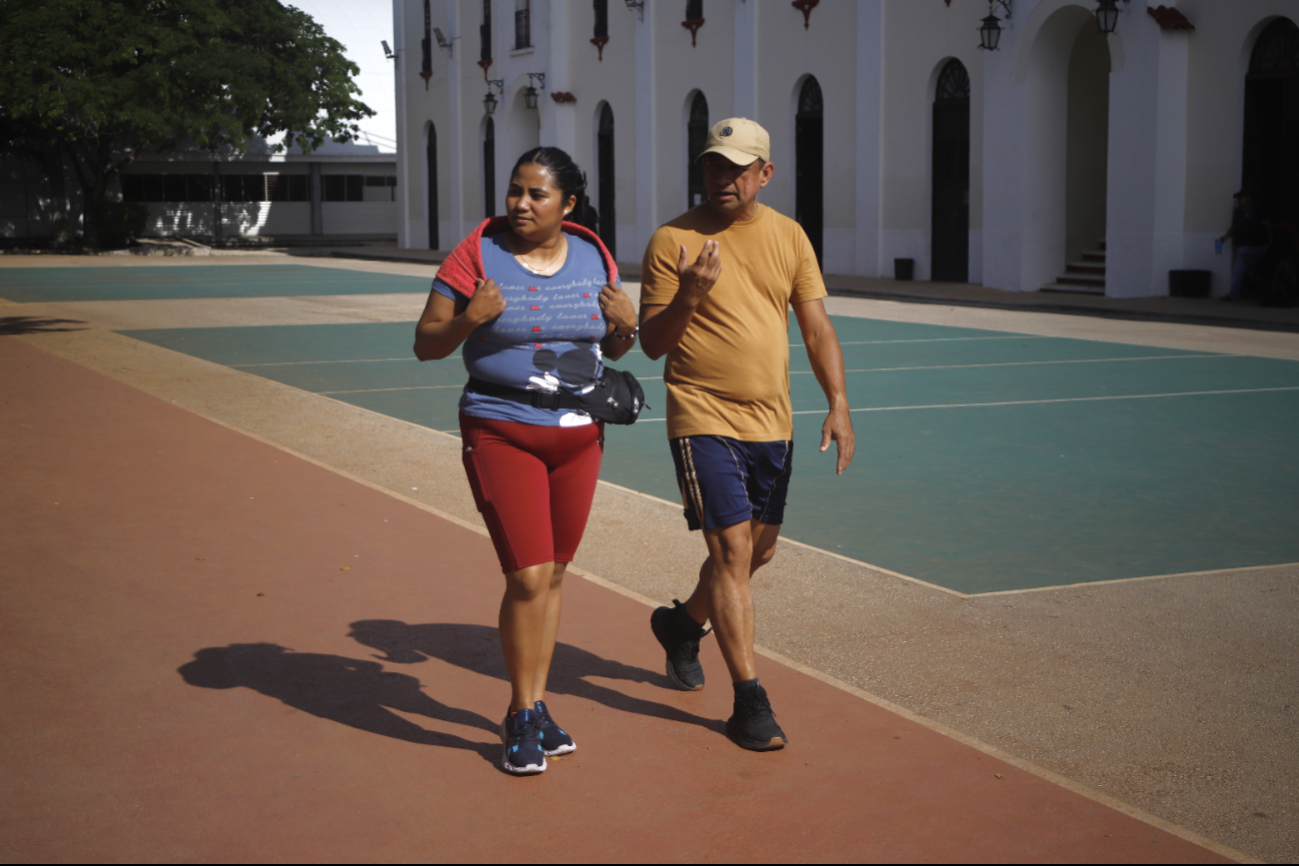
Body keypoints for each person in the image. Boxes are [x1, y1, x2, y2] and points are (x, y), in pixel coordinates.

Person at [413, 146, 638, 775]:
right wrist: (469, 321)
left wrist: (628, 328)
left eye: (537, 194)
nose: (520, 203)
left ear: (568, 205)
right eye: (516, 190)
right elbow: (424, 343)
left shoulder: (594, 255)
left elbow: (615, 342)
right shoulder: (477, 255)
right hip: (501, 428)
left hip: (580, 435)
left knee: (557, 574)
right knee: (528, 577)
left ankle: (538, 706)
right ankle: (518, 712)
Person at [637, 118, 855, 751]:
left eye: (736, 167)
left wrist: (838, 404)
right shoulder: (671, 239)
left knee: (757, 554)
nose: (722, 178)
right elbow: (651, 344)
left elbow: (816, 329)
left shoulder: (788, 236)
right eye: (712, 165)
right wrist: (689, 296)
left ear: (765, 173)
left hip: (772, 423)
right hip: (701, 416)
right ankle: (749, 700)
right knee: (732, 553)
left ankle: (682, 625)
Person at [1220, 190, 1272, 301]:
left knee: (1241, 253)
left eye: (1242, 198)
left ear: (1249, 198)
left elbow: (1268, 226)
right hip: (1246, 250)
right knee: (1241, 264)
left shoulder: (1257, 210)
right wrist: (1225, 238)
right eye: (1239, 198)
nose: (1240, 200)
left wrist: (1271, 244)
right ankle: (1233, 295)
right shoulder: (1238, 212)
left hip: (1260, 248)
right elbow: (1234, 228)